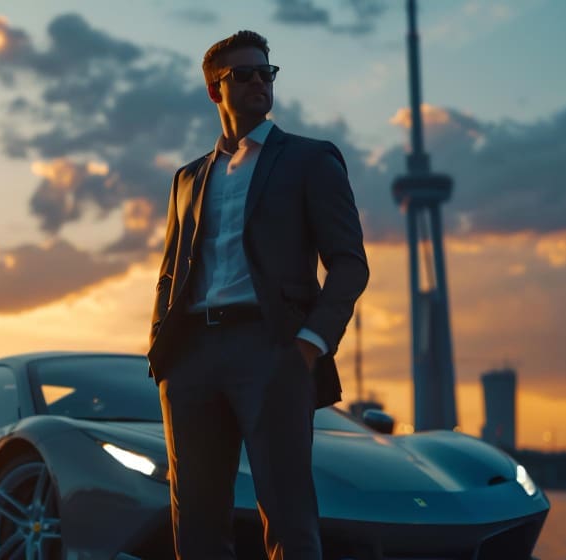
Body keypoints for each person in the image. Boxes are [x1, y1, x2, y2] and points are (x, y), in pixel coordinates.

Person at [146, 30, 369, 560]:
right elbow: (169, 273)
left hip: (273, 349)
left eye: (265, 72)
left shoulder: (310, 160)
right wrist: (162, 349)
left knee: (289, 517)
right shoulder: (188, 178)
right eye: (242, 74)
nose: (258, 82)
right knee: (195, 524)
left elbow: (350, 264)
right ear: (214, 90)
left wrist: (310, 344)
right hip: (191, 357)